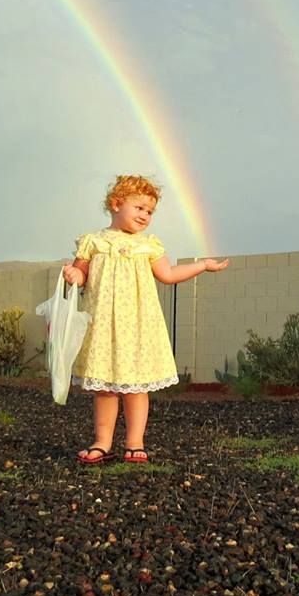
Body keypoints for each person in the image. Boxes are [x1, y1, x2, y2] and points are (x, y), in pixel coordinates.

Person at [62, 174, 229, 464]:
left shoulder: (149, 245)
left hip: (138, 326)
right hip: (102, 327)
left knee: (136, 387)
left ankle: (134, 442)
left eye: (150, 211)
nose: (145, 216)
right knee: (105, 388)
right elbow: (80, 274)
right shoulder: (94, 242)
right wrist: (73, 275)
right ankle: (102, 442)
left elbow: (169, 275)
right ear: (116, 204)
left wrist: (202, 265)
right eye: (139, 208)